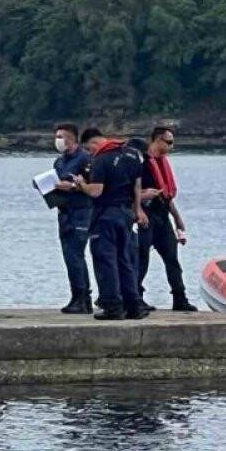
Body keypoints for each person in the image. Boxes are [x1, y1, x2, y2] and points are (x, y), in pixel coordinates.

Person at [74, 128, 149, 321]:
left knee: (105, 260)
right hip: (126, 213)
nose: (90, 153)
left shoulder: (101, 159)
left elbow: (96, 191)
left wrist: (81, 184)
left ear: (93, 143)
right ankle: (134, 305)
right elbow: (137, 186)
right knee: (125, 260)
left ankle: (112, 305)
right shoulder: (132, 154)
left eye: (89, 150)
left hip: (105, 215)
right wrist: (138, 210)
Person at [138, 127, 198, 312]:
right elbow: (130, 192)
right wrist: (140, 206)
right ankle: (136, 297)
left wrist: (178, 219)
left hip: (163, 216)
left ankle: (180, 298)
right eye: (168, 142)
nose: (171, 146)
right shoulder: (142, 163)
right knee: (141, 258)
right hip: (146, 216)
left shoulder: (163, 163)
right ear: (157, 140)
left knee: (172, 259)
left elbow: (167, 196)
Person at [52, 122, 94, 314]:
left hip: (81, 212)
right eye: (57, 136)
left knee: (76, 255)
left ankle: (83, 297)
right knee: (69, 256)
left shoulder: (85, 159)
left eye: (61, 136)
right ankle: (77, 296)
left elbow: (92, 185)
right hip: (64, 212)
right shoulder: (59, 162)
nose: (58, 140)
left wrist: (74, 186)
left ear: (72, 138)